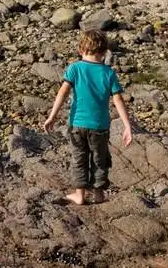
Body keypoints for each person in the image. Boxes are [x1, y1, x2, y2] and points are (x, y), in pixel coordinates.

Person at [42, 30, 133, 205]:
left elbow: (62, 92)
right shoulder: (108, 73)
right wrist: (127, 126)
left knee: (79, 159)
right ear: (105, 51)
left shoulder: (75, 68)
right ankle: (98, 194)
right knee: (100, 159)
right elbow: (118, 99)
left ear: (80, 49)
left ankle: (80, 195)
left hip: (77, 124)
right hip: (99, 126)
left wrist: (52, 117)